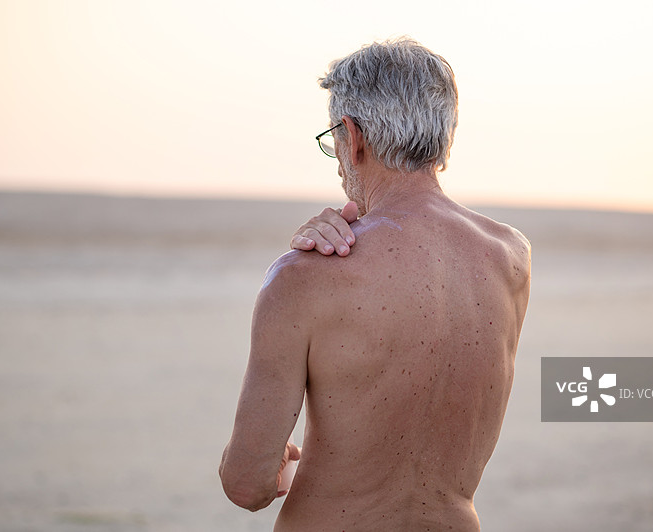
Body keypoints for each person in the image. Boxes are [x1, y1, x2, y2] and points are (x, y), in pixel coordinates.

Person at [219, 38, 531, 531]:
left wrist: (271, 456)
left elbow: (246, 485)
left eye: (333, 141)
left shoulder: (302, 277)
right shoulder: (511, 258)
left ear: (352, 136)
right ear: (444, 138)